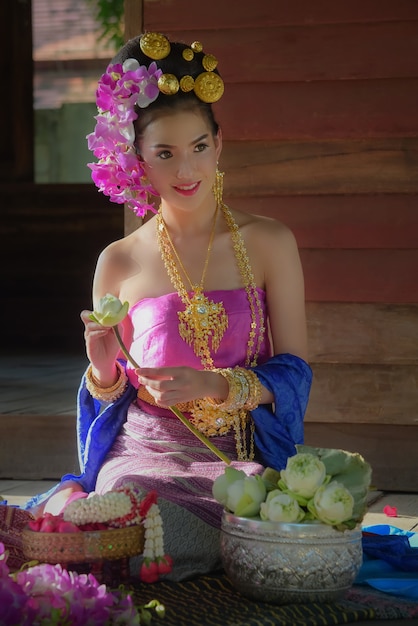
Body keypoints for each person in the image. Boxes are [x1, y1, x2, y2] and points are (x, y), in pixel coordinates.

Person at [24, 32, 312, 580]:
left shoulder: (270, 242)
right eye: (165, 154)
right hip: (141, 458)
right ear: (136, 160)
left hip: (236, 456)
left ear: (220, 144)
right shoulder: (119, 261)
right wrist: (102, 364)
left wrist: (215, 384)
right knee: (130, 512)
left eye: (199, 147)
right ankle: (120, 540)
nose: (187, 171)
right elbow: (111, 392)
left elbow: (294, 370)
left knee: (246, 518)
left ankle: (119, 545)